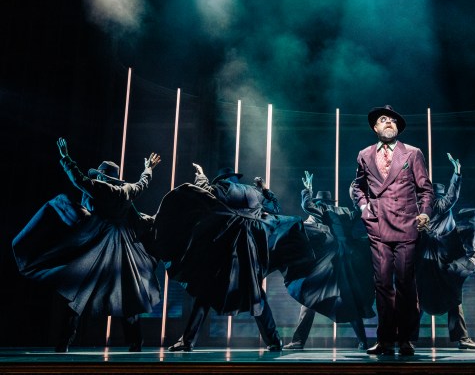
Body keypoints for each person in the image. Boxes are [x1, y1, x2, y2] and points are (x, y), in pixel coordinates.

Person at [12, 138, 161, 352]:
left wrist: (66, 158)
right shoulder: (126, 191)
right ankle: (136, 341)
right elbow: (142, 184)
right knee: (127, 293)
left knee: (79, 292)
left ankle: (64, 342)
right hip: (120, 248)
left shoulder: (98, 187)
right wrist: (148, 169)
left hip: (98, 247)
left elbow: (78, 179)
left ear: (102, 175)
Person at [152, 164, 313, 352]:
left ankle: (187, 341)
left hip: (226, 248)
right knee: (254, 292)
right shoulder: (253, 192)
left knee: (206, 292)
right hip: (251, 247)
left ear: (221, 180)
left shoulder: (219, 189)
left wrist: (202, 176)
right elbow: (275, 207)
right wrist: (265, 189)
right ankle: (273, 341)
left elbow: (202, 193)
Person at [351, 105, 434, 356]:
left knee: (406, 284)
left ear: (397, 128)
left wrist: (425, 213)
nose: (388, 123)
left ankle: (407, 339)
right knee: (382, 284)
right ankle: (385, 339)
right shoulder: (364, 154)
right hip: (377, 226)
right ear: (375, 128)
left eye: (392, 120)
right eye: (383, 120)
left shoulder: (412, 153)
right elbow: (357, 187)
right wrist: (365, 209)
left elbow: (426, 189)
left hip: (407, 225)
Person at [283, 172, 374, 351]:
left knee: (313, 299)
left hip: (331, 265)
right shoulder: (346, 212)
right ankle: (363, 341)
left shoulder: (323, 211)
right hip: (344, 264)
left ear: (320, 204)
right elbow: (360, 212)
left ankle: (299, 341)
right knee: (345, 301)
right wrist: (361, 196)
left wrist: (307, 191)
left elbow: (307, 205)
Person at [413, 153, 475, 350]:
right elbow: (452, 196)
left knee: (424, 298)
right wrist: (457, 173)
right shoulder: (438, 204)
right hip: (439, 261)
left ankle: (408, 339)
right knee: (449, 297)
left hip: (429, 261)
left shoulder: (419, 208)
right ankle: (462, 338)